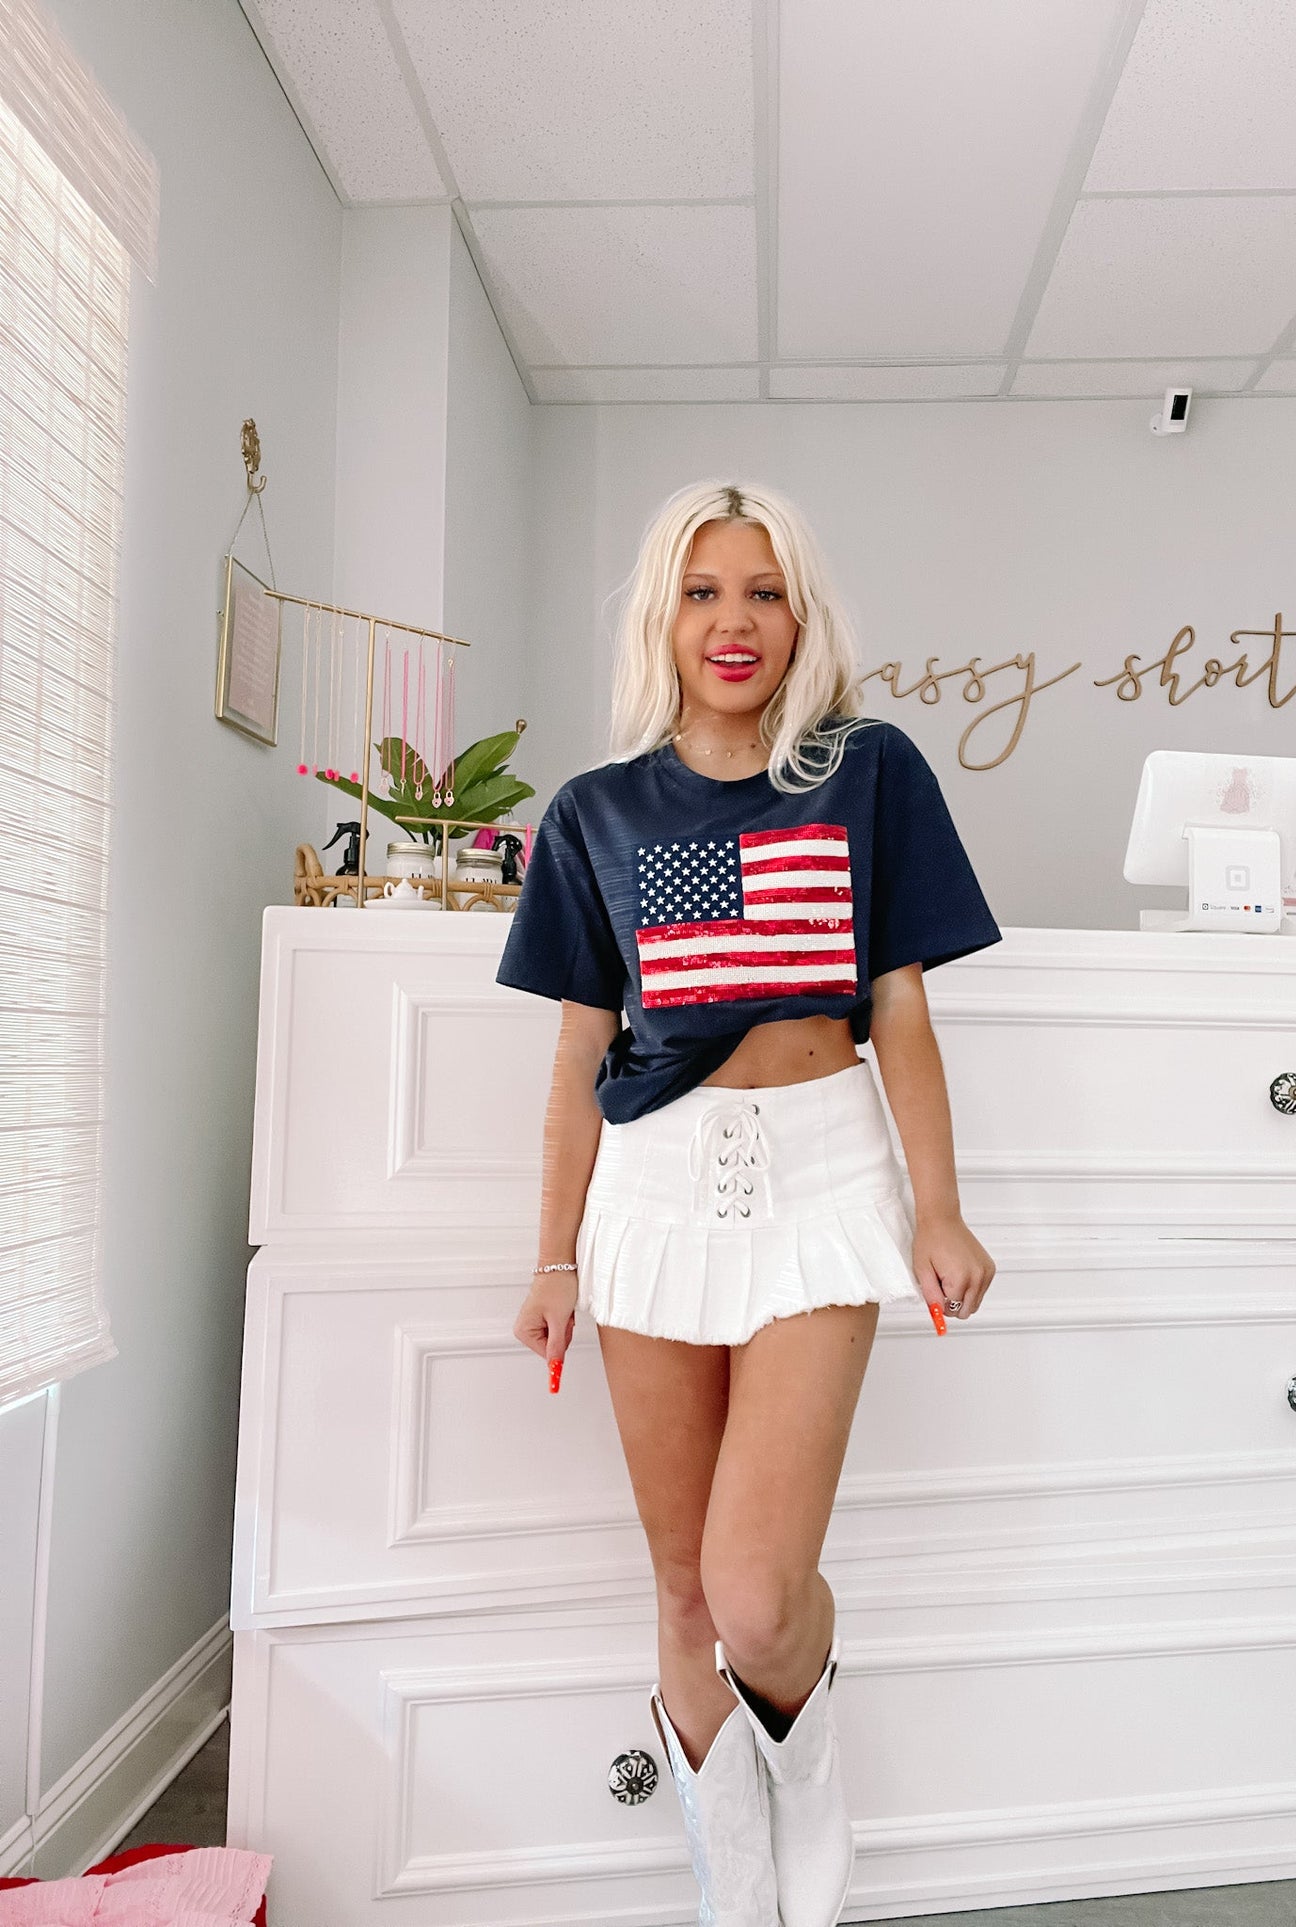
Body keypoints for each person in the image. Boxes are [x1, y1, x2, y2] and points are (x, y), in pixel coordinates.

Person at [495, 479, 1003, 1927]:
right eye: (704, 591)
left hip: (823, 1170)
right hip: (652, 1187)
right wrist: (549, 1253)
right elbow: (580, 1048)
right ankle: (736, 1879)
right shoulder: (592, 812)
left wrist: (936, 1206)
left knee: (758, 1593)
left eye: (763, 592)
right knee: (680, 1589)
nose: (734, 622)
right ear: (665, 613)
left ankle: (811, 1765)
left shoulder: (869, 771)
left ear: (801, 617)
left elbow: (897, 1006)